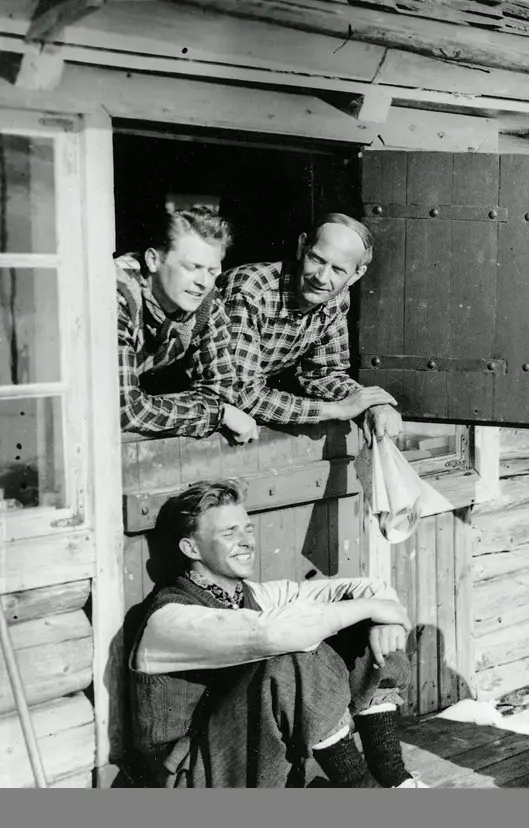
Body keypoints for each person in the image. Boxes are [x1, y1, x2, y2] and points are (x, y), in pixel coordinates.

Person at [126, 479, 427, 788]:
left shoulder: (251, 594)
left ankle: (392, 777)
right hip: (193, 777)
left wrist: (381, 618)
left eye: (247, 529)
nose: (245, 541)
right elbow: (273, 633)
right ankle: (363, 789)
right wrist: (374, 608)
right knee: (290, 658)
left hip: (248, 762)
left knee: (361, 623)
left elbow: (364, 588)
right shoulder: (169, 619)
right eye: (229, 533)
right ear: (191, 548)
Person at [220, 213, 404, 442]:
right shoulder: (249, 291)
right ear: (301, 246)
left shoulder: (335, 298)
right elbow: (241, 394)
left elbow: (323, 373)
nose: (322, 278)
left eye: (338, 270)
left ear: (356, 275)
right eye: (317, 259)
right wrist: (337, 410)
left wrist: (372, 405)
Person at [116, 207, 258, 442]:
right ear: (153, 260)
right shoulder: (116, 295)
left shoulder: (205, 301)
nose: (203, 282)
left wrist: (215, 408)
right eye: (192, 267)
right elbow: (124, 409)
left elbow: (222, 391)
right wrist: (218, 415)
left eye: (212, 270)